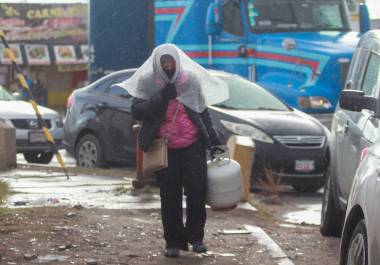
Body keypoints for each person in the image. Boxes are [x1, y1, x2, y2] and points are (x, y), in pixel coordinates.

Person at [121, 44, 228, 258]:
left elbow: (202, 110)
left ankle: (196, 238)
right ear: (157, 64)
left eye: (171, 62)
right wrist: (160, 97)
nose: (168, 66)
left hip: (193, 145)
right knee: (170, 196)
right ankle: (173, 241)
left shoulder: (189, 80)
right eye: (164, 63)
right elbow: (137, 111)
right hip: (164, 147)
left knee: (197, 192)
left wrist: (213, 140)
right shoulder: (148, 82)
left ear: (178, 62)